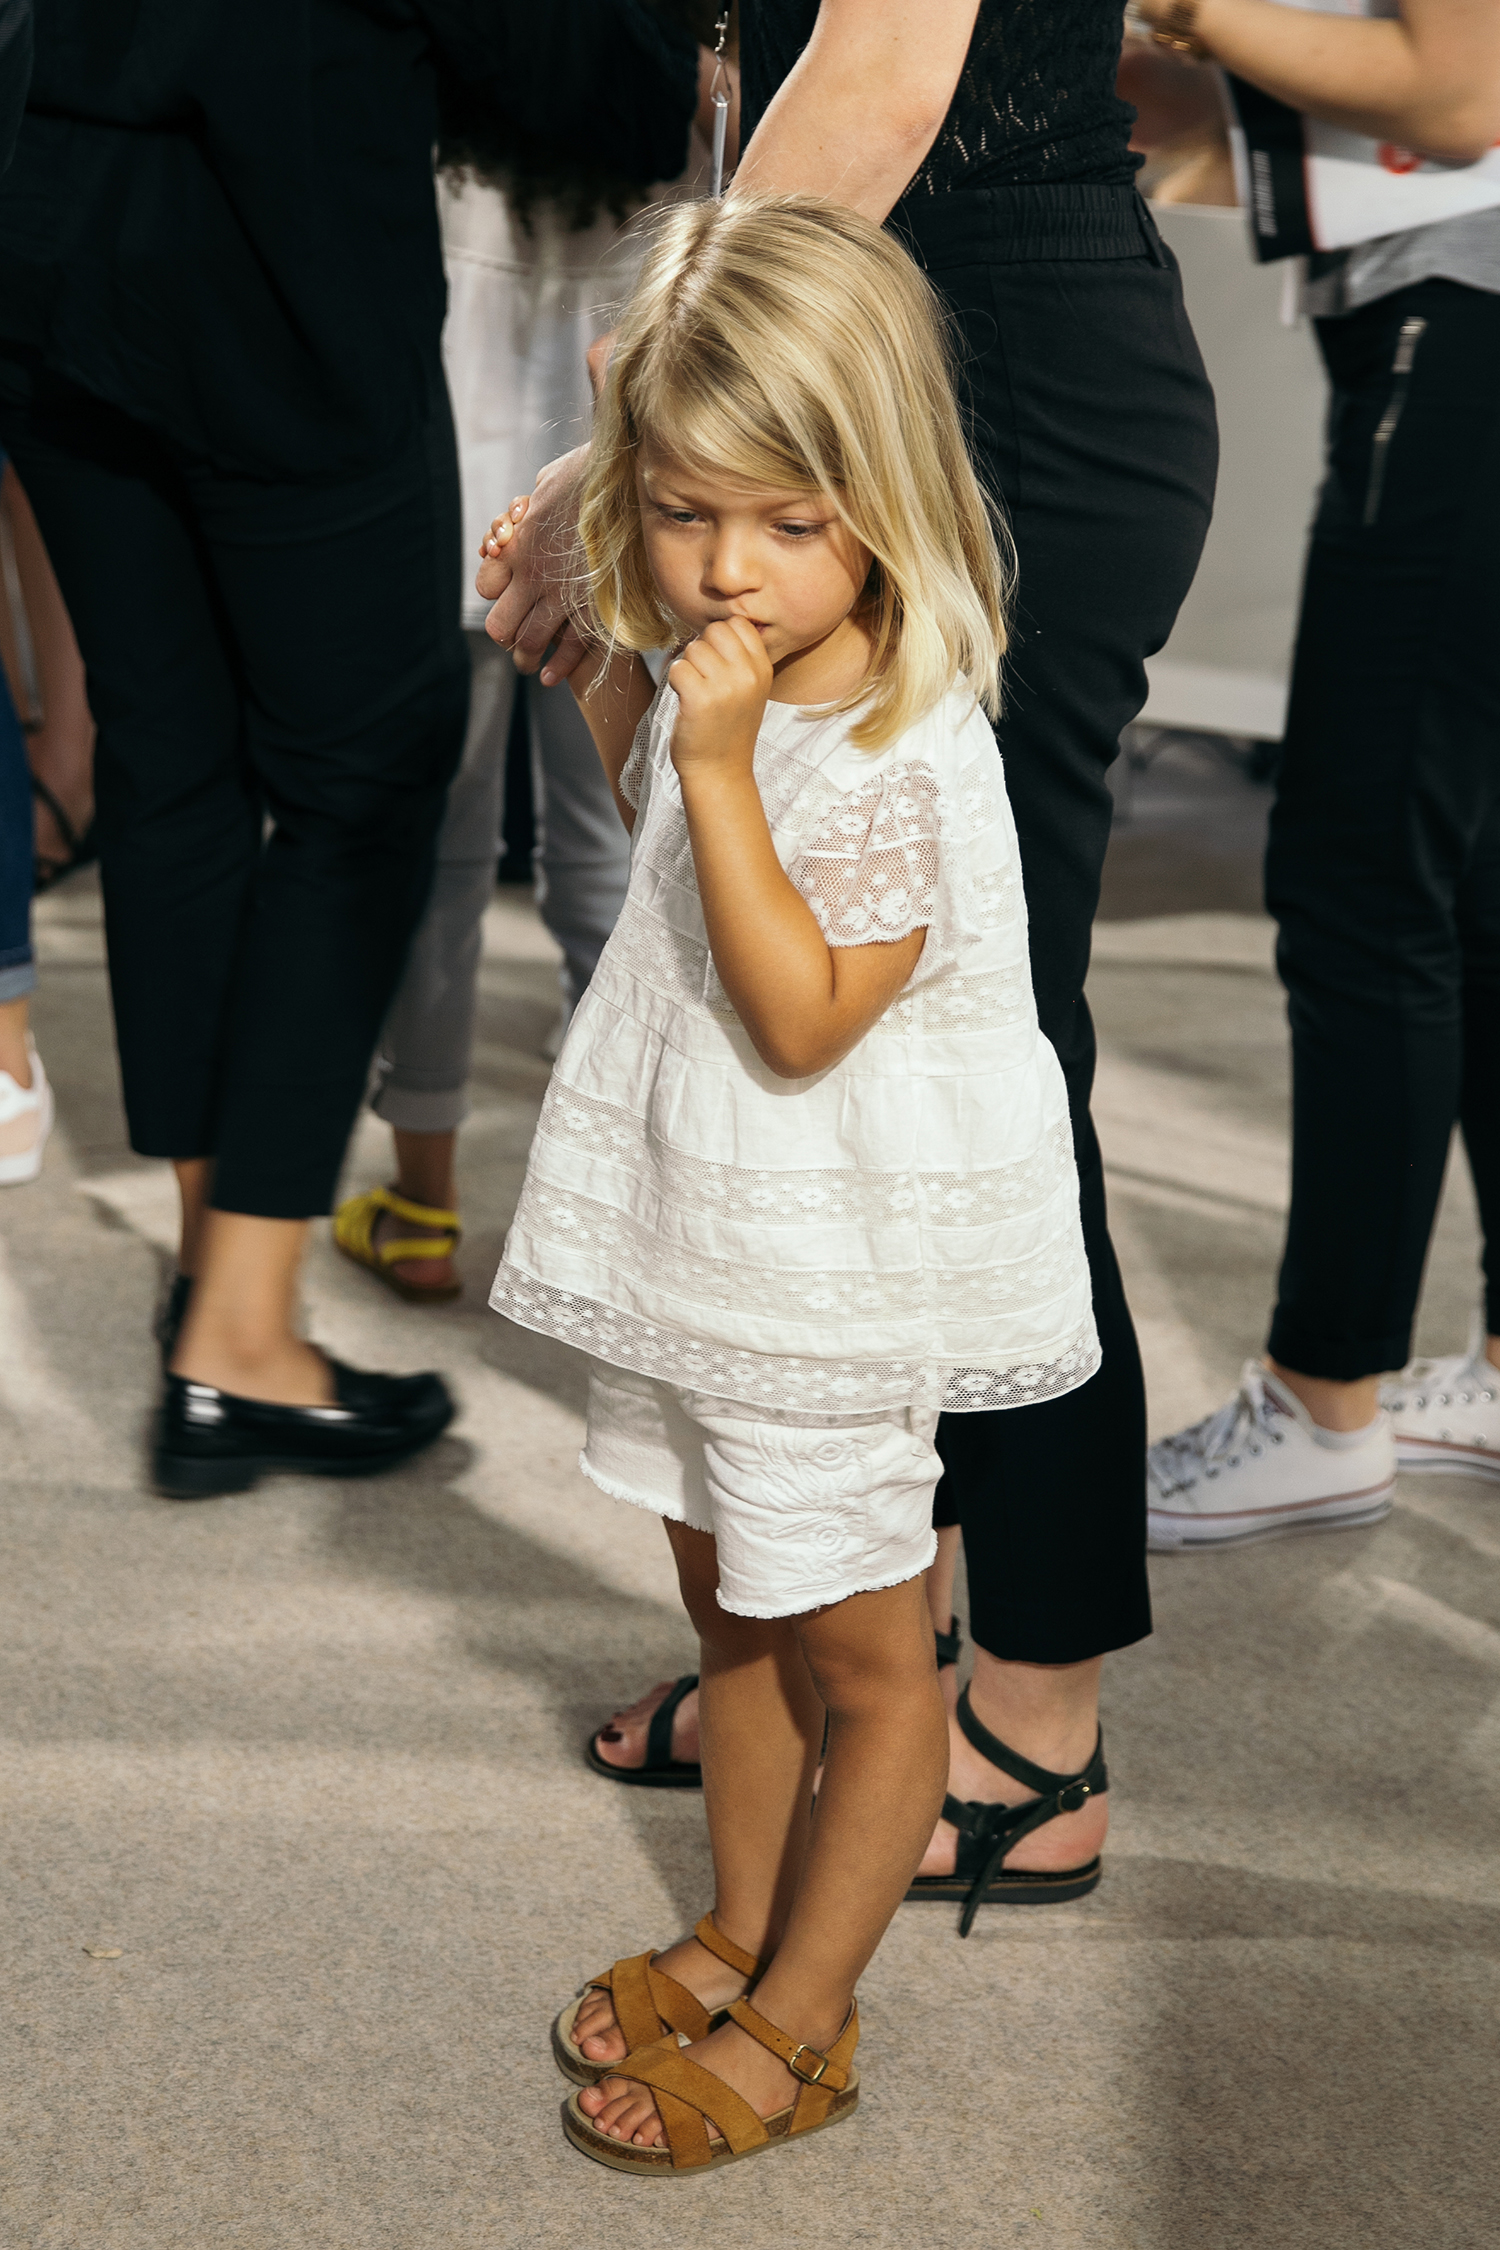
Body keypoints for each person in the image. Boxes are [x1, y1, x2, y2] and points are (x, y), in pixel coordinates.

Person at [481, 0, 1217, 1928]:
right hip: (883, 324)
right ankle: (852, 1636)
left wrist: (632, 452)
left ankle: (1033, 1721)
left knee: (967, 1089)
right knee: (835, 1061)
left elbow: (891, 74)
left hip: (971, 354)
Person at [493, 194, 1096, 2172]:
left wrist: (732, 763)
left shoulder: (910, 742)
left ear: (882, 498)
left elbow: (803, 1013)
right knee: (733, 1613)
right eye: (679, 513)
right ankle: (741, 1931)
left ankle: (810, 2022)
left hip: (833, 1270)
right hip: (710, 1240)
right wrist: (587, 658)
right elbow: (657, 826)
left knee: (858, 1649)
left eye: (783, 521)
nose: (727, 571)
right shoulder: (711, 673)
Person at [0, 3, 704, 1496]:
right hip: (279, 259)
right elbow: (575, 79)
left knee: (172, 761)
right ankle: (241, 1334)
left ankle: (215, 1273)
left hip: (50, 217)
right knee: (373, 778)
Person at [1134, 0, 1500, 1547]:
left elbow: (1458, 94)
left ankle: (1322, 1397)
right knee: (1467, 884)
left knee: (1360, 874)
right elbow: (1258, 131)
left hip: (1461, 332)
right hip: (1442, 315)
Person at [334, 65, 733, 1301]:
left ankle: (426, 1199)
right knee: (623, 831)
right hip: (640, 423)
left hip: (444, 410)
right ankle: (635, 1212)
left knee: (441, 848)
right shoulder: (675, 48)